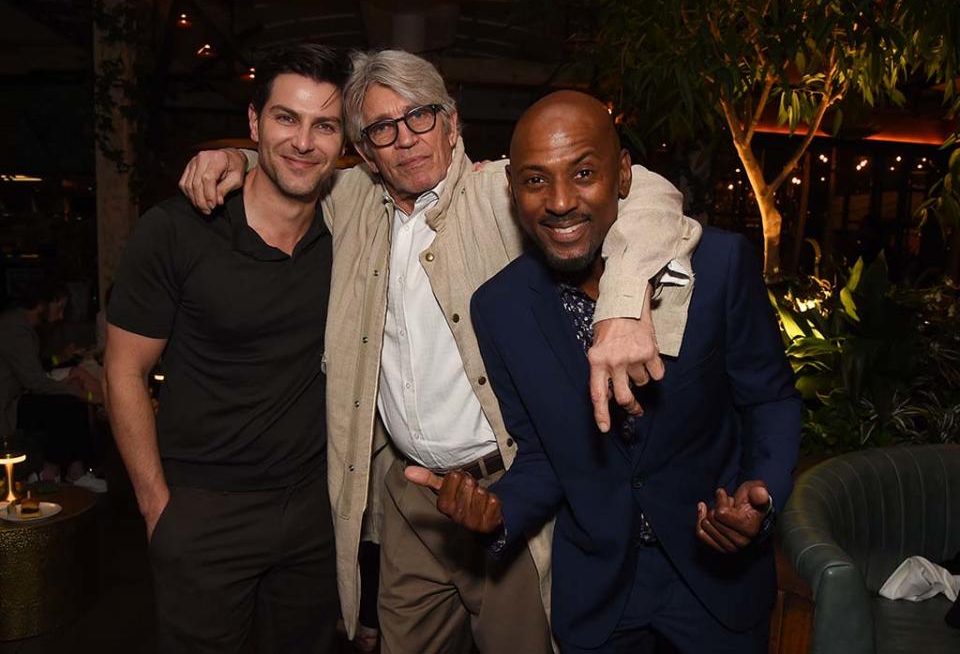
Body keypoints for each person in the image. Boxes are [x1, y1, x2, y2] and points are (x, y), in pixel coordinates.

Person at [179, 49, 700, 653]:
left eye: (421, 116)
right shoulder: (351, 201)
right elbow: (293, 160)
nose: (405, 140)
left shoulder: (502, 191)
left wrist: (623, 299)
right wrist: (234, 157)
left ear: (452, 122)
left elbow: (651, 193)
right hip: (410, 497)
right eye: (381, 128)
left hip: (506, 490)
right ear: (366, 150)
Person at [406, 91, 802, 653]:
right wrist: (500, 508)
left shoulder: (719, 265)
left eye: (584, 172)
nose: (560, 201)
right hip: (600, 599)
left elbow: (771, 402)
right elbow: (545, 456)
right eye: (536, 180)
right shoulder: (499, 308)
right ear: (512, 189)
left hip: (718, 583)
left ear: (623, 175)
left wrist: (759, 499)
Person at [104, 44, 348, 653]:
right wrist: (157, 510)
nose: (303, 141)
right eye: (285, 118)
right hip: (203, 511)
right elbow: (123, 372)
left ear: (344, 143)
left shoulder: (351, 230)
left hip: (314, 514)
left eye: (325, 125)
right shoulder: (177, 229)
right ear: (253, 123)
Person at [0, 282, 105, 490]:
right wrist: (81, 393)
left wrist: (62, 363)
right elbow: (35, 382)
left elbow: (32, 369)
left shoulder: (22, 326)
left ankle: (72, 471)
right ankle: (53, 472)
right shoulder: (15, 328)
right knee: (66, 403)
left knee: (69, 397)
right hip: (7, 406)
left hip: (19, 394)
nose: (60, 316)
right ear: (42, 305)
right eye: (59, 309)